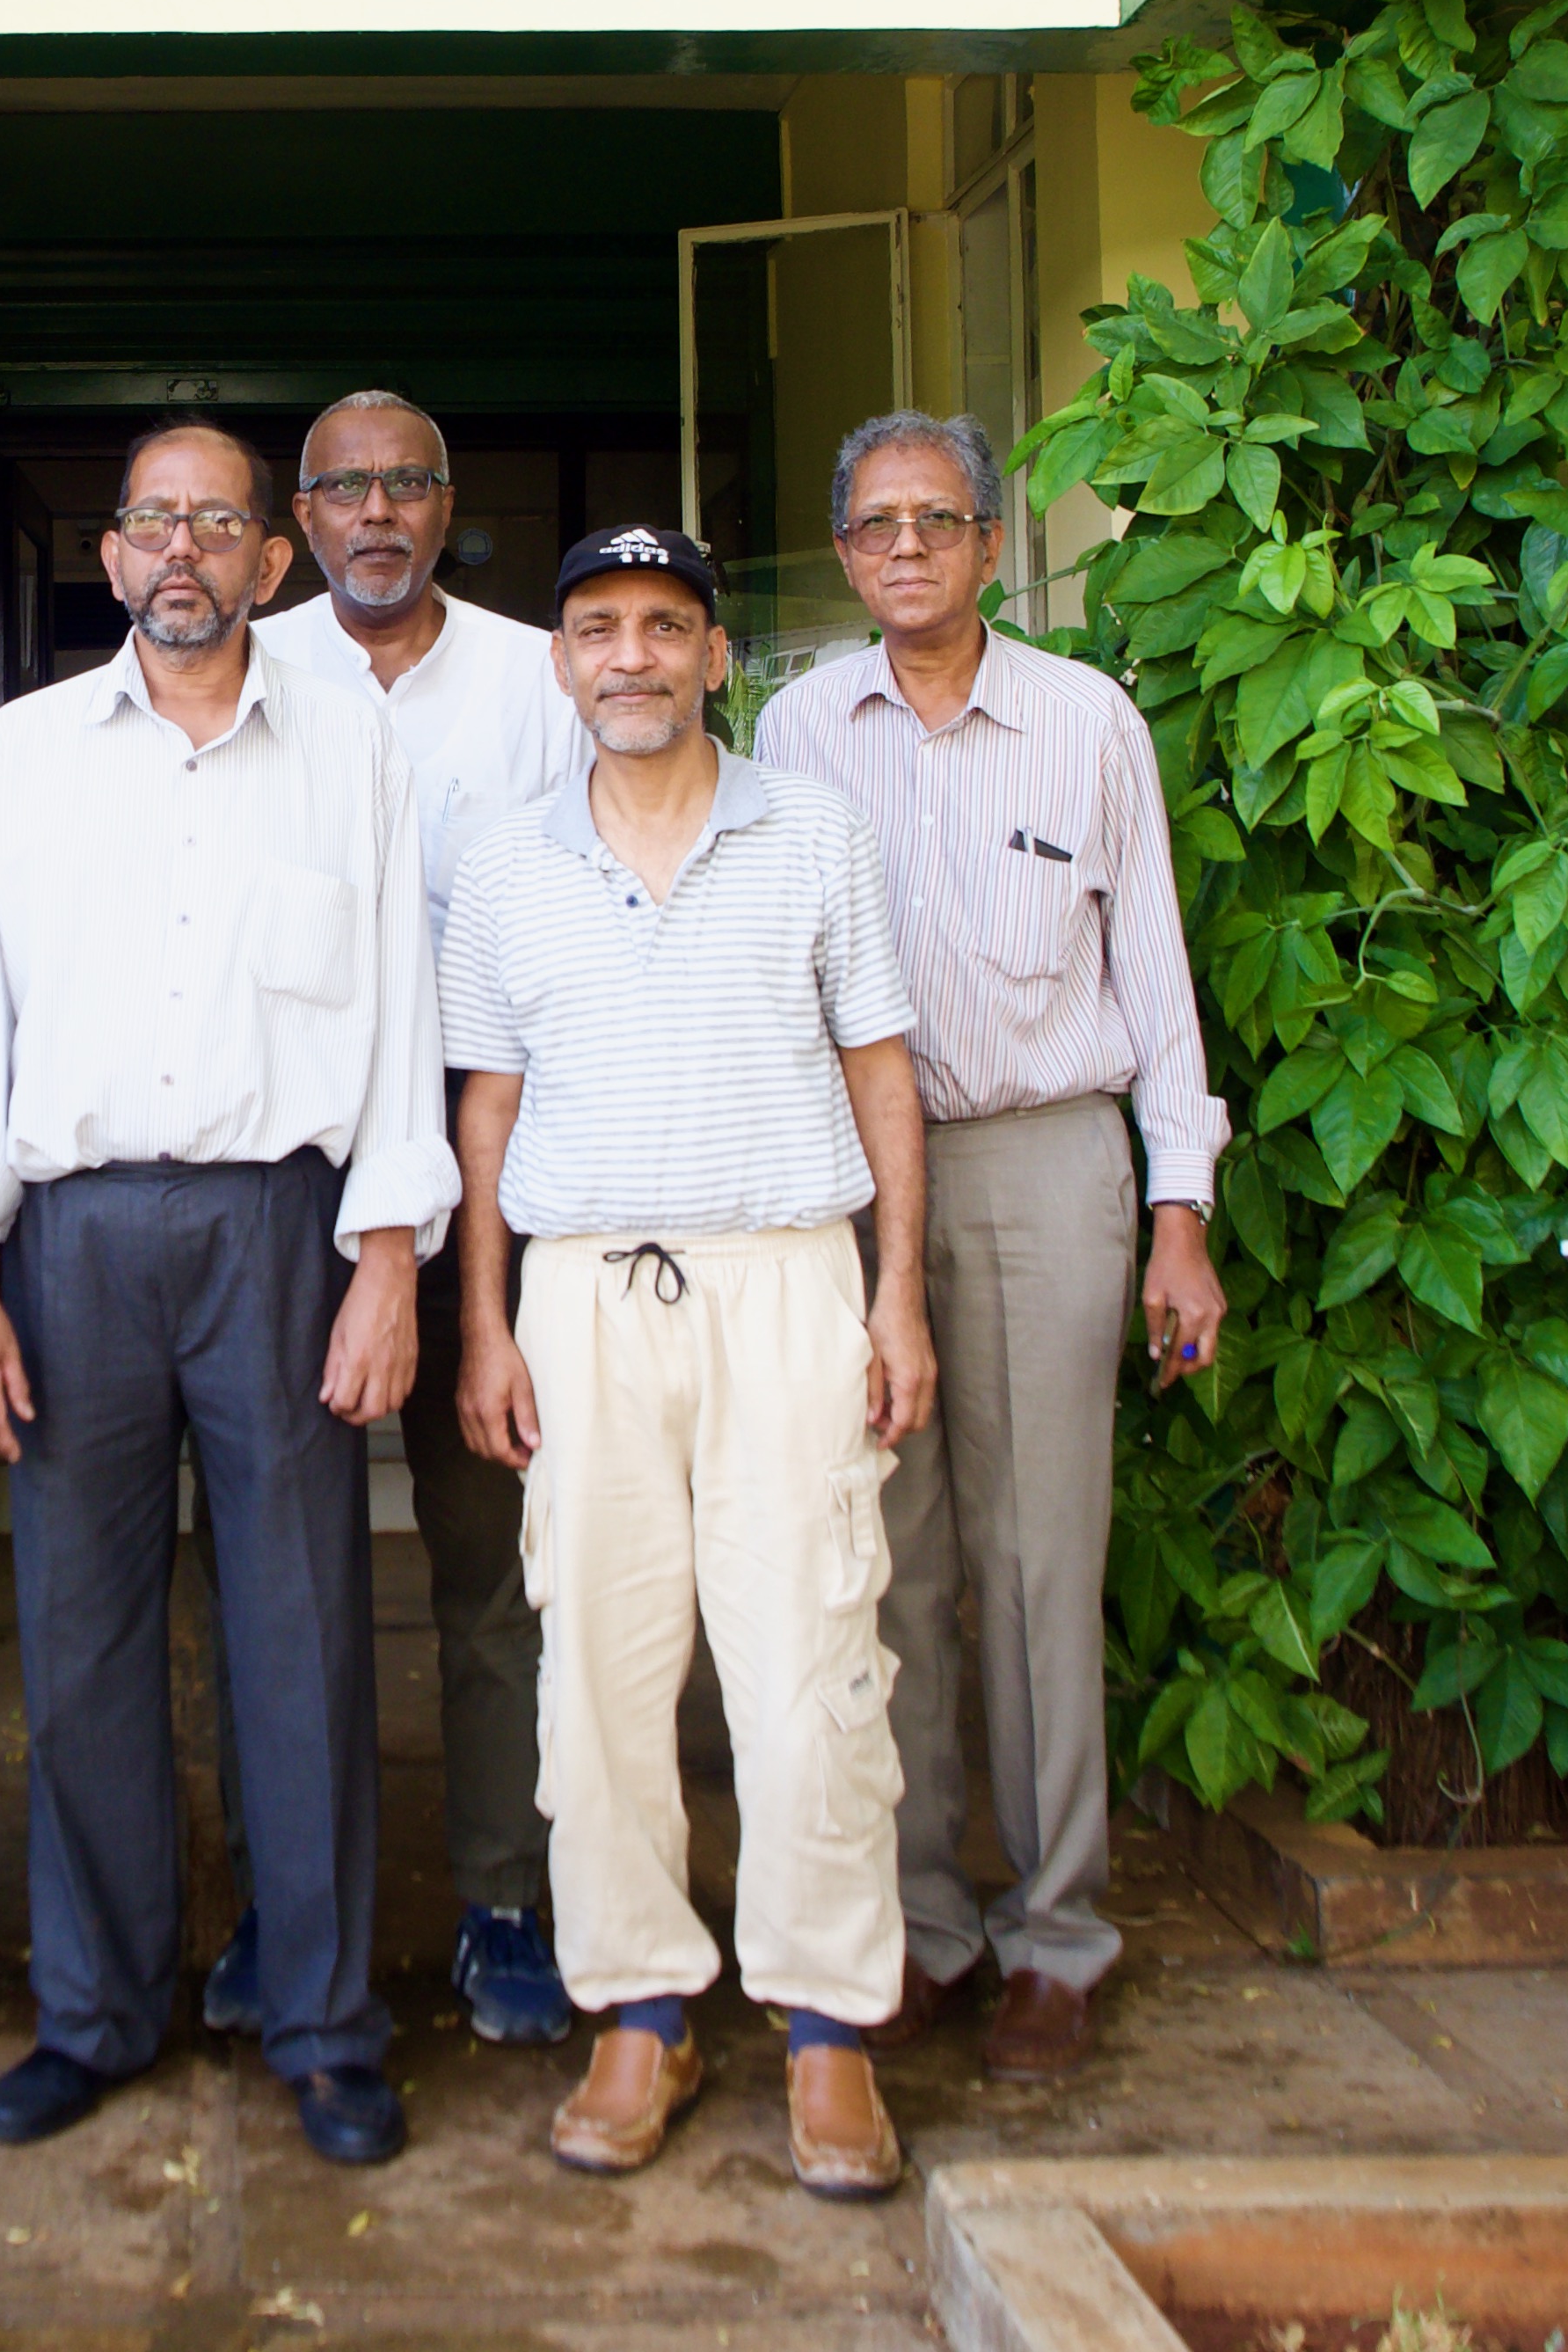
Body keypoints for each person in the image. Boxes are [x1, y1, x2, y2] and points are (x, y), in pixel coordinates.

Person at [0, 420, 456, 2170]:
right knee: (77, 1648)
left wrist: (388, 1262)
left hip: (281, 1235)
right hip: (69, 1238)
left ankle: (322, 2022)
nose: (181, 553)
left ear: (269, 564)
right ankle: (96, 2010)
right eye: (152, 521)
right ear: (113, 552)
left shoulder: (352, 751)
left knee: (303, 1638)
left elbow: (399, 1017)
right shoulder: (24, 757)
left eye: (217, 522)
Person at [446, 522, 937, 2202]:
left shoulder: (816, 835)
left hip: (786, 1278)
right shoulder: (508, 865)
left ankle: (827, 2033)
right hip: (584, 1300)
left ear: (717, 657)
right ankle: (638, 2011)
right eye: (599, 629)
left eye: (667, 627)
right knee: (596, 1670)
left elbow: (882, 1073)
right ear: (564, 661)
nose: (634, 656)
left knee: (810, 1669)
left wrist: (900, 1297)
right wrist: (485, 1323)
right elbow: (489, 1112)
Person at [755, 410, 1232, 2087]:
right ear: (844, 551)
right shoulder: (797, 731)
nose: (906, 548)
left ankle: (1058, 1936)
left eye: (937, 521)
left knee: (1041, 1563)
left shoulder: (1087, 723)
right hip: (855, 1183)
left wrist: (1181, 1218)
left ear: (988, 545)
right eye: (876, 523)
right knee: (893, 1562)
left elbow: (1159, 988)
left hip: (1044, 1166)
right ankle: (921, 1931)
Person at [216, 386, 582, 2050]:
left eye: (406, 484)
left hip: (494, 1156)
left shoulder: (536, 680)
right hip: (291, 1168)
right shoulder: (247, 664)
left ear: (450, 504)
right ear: (300, 516)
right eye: (344, 486)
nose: (376, 511)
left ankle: (506, 1896)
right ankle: (281, 1909)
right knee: (274, 1574)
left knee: (491, 1552)